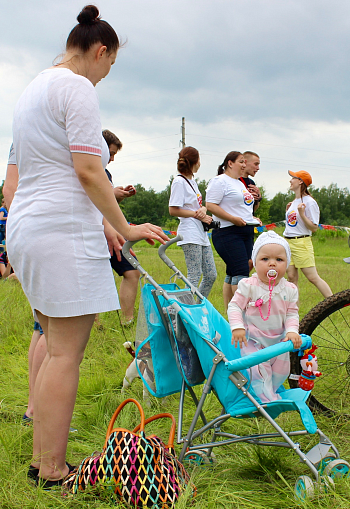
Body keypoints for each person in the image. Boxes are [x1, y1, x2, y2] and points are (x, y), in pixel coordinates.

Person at [7, 5, 168, 487]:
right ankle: (53, 469)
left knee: (54, 347)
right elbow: (87, 170)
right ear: (100, 52)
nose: (104, 76)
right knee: (64, 354)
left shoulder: (34, 88)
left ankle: (41, 461)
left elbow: (28, 179)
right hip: (60, 233)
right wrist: (125, 224)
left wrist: (102, 224)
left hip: (30, 228)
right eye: (110, 65)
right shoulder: (76, 87)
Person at [228, 231, 302, 402]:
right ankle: (266, 401)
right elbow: (234, 306)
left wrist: (292, 331)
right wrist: (237, 327)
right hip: (254, 342)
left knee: (282, 371)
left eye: (279, 260)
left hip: (280, 342)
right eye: (265, 259)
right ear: (254, 262)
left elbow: (292, 312)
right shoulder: (249, 286)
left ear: (287, 263)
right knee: (259, 371)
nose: (272, 264)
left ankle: (270, 390)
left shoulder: (290, 289)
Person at [206, 151, 260, 311]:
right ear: (230, 163)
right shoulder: (219, 181)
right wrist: (232, 218)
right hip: (228, 232)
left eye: (245, 162)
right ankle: (243, 313)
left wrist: (253, 218)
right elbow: (210, 205)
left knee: (234, 272)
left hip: (245, 232)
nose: (244, 165)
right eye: (241, 162)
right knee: (241, 271)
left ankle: (231, 314)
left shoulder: (240, 183)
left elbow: (244, 208)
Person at [169, 146, 217, 298]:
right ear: (195, 162)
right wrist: (198, 215)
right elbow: (173, 210)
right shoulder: (179, 182)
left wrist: (202, 210)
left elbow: (195, 206)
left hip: (200, 233)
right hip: (189, 233)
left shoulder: (192, 182)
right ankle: (184, 310)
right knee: (194, 275)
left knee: (211, 275)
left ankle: (197, 306)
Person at [102, 129, 139, 325]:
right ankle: (94, 324)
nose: (113, 158)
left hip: (112, 231)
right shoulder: (85, 169)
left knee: (132, 270)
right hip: (93, 232)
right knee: (95, 278)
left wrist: (117, 194)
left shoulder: (106, 173)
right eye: (111, 153)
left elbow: (106, 203)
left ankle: (127, 320)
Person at [284, 170, 332, 298]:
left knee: (312, 277)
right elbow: (293, 224)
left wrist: (301, 214)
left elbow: (314, 227)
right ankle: (294, 314)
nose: (290, 181)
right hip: (288, 242)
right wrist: (288, 211)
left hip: (301, 243)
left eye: (293, 178)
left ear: (300, 181)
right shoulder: (294, 201)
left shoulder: (310, 202)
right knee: (291, 277)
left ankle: (334, 302)